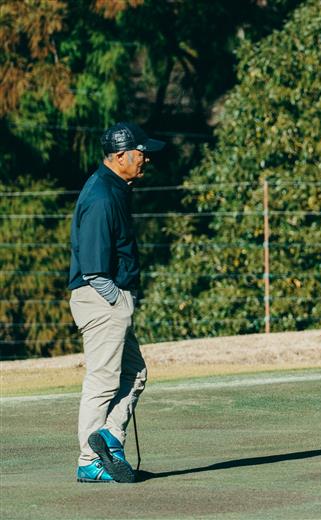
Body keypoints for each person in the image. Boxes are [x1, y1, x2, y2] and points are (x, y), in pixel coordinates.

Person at [68, 122, 164, 482]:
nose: (146, 159)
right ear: (121, 156)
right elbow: (94, 270)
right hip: (102, 298)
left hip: (110, 299)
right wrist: (120, 303)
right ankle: (89, 461)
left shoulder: (115, 188)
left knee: (135, 373)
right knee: (103, 381)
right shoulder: (102, 197)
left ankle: (109, 437)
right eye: (141, 153)